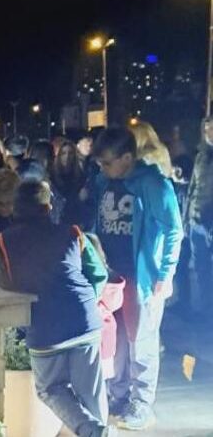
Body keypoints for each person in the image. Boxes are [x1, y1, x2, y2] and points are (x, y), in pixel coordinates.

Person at [0, 181, 114, 437]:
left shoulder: (4, 241)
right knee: (91, 394)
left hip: (44, 327)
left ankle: (95, 432)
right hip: (84, 321)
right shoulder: (73, 233)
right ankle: (97, 431)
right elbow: (99, 274)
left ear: (15, 209)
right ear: (48, 207)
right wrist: (84, 302)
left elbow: (5, 281)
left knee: (50, 389)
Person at [91, 128, 182, 430]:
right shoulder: (105, 181)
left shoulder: (153, 184)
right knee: (116, 337)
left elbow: (173, 230)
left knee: (141, 340)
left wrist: (165, 274)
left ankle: (141, 402)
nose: (102, 168)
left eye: (107, 162)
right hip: (112, 274)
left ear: (127, 158)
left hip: (141, 275)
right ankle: (118, 395)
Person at [184, 116, 213, 320]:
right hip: (196, 221)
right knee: (201, 268)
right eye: (206, 129)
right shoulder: (201, 155)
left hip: (210, 221)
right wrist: (187, 218)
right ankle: (205, 311)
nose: (209, 133)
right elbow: (193, 187)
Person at [53, 140, 87, 226]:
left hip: (74, 220)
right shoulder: (53, 176)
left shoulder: (81, 176)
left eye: (70, 153)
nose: (67, 156)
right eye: (64, 153)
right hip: (57, 221)